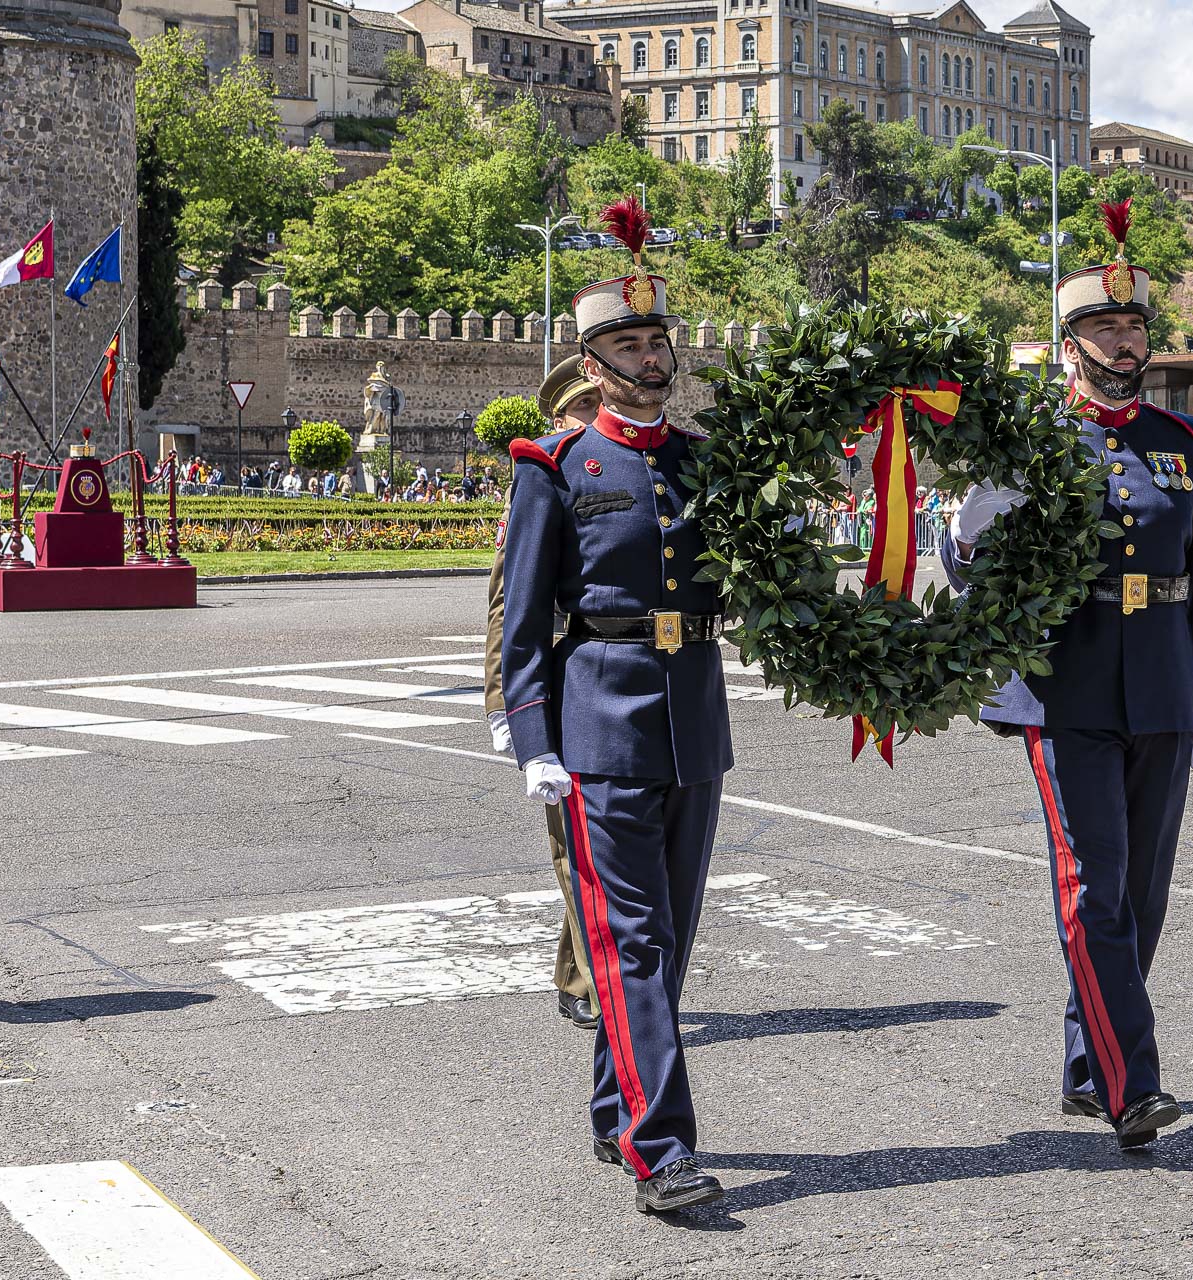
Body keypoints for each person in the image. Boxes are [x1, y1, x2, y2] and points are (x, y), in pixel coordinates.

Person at [944, 198, 1193, 1153]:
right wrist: (968, 528)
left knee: (1141, 891)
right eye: (1103, 327)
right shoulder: (1027, 439)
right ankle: (1130, 1084)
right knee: (1094, 885)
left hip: (1161, 678)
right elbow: (970, 565)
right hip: (1064, 683)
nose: (1122, 341)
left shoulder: (1178, 444)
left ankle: (1085, 1059)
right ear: (1068, 344)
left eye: (1132, 326)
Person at [498, 199, 733, 1213]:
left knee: (667, 941)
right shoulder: (557, 467)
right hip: (600, 723)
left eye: (655, 341)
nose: (647, 357)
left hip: (693, 721)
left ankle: (612, 1110)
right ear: (591, 366)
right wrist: (530, 734)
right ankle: (660, 1145)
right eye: (626, 345)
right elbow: (522, 612)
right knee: (631, 942)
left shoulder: (701, 462)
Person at [485, 355, 604, 1033]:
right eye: (582, 410)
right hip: (551, 686)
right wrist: (504, 702)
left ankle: (576, 970)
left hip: (603, 682)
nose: (595, 420)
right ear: (559, 419)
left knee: (591, 845)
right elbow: (509, 604)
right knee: (574, 843)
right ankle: (598, 980)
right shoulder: (543, 479)